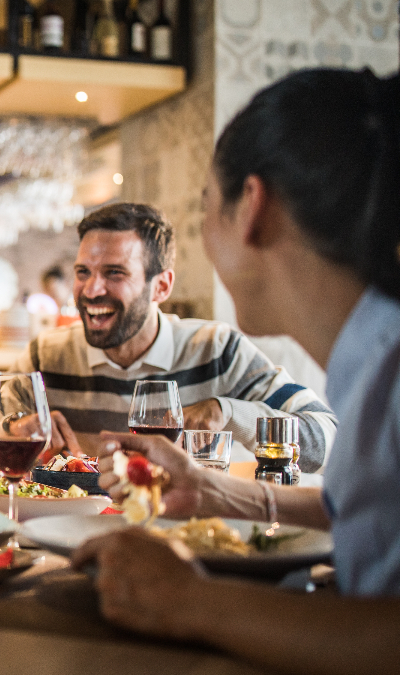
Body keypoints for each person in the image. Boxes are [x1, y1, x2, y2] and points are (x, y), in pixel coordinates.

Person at [73, 68, 400, 673]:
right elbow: (369, 511)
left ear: (251, 206)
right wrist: (215, 490)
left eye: (205, 211)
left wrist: (190, 601)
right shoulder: (374, 355)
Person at [10, 202, 337, 470]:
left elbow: (328, 438)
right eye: (83, 272)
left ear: (162, 286)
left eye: (115, 273)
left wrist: (230, 413)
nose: (92, 290)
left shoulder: (218, 351)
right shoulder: (46, 354)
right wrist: (16, 429)